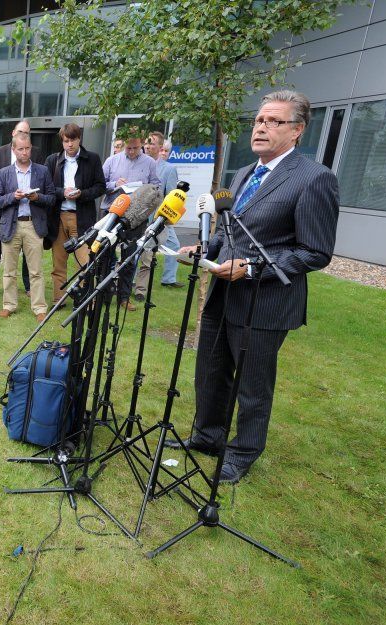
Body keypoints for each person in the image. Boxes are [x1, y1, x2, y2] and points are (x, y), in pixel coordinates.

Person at [166, 90, 340, 484]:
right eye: (259, 120)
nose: (261, 127)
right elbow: (232, 233)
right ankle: (208, 436)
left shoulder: (315, 180)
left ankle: (243, 452)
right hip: (222, 291)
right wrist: (204, 248)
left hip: (265, 301)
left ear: (297, 131)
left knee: (252, 382)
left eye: (274, 121)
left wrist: (250, 267)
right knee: (211, 369)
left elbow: (315, 251)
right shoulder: (243, 174)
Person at [0, 132, 55, 322]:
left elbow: (51, 198)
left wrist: (37, 197)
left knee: (36, 271)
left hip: (33, 226)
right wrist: (13, 196)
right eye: (20, 149)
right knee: (9, 270)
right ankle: (9, 305)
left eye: (27, 148)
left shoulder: (42, 171)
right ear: (13, 149)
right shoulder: (3, 173)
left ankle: (39, 308)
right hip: (11, 225)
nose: (25, 152)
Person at [44, 123, 106, 304]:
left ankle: (87, 299)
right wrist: (62, 192)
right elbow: (47, 188)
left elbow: (100, 186)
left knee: (86, 261)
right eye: (65, 141)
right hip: (59, 217)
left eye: (73, 140)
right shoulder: (53, 160)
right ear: (62, 141)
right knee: (58, 262)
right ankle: (59, 299)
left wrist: (82, 193)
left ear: (79, 139)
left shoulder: (92, 159)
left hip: (82, 217)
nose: (69, 144)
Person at [101, 128, 161, 311]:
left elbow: (157, 186)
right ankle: (102, 295)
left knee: (129, 258)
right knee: (105, 256)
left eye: (135, 148)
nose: (132, 151)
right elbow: (100, 184)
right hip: (113, 214)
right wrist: (114, 184)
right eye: (128, 148)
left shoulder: (150, 163)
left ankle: (124, 297)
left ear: (142, 143)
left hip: (136, 218)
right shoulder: (112, 161)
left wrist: (144, 190)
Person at [0, 120, 43, 296]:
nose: (23, 136)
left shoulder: (37, 154)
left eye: (27, 133)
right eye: (20, 132)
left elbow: (42, 181)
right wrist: (12, 196)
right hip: (4, 213)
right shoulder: (1, 152)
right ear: (13, 133)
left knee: (29, 255)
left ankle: (28, 287)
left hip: (29, 215)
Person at [134, 131, 184, 299]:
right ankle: (129, 283)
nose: (147, 146)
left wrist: (164, 220)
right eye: (146, 143)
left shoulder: (169, 169)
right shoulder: (138, 163)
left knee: (147, 256)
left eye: (152, 144)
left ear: (160, 147)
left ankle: (143, 289)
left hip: (154, 221)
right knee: (132, 252)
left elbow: (171, 195)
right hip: (135, 217)